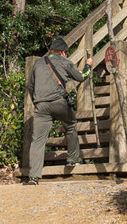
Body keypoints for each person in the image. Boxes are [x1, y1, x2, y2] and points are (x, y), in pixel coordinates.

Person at [24, 36, 93, 185]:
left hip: (41, 105)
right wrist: (88, 66)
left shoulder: (37, 63)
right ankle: (72, 159)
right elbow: (81, 77)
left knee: (37, 140)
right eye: (66, 53)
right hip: (59, 103)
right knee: (71, 126)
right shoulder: (64, 61)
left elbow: (30, 86)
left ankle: (33, 176)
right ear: (63, 52)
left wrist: (37, 101)